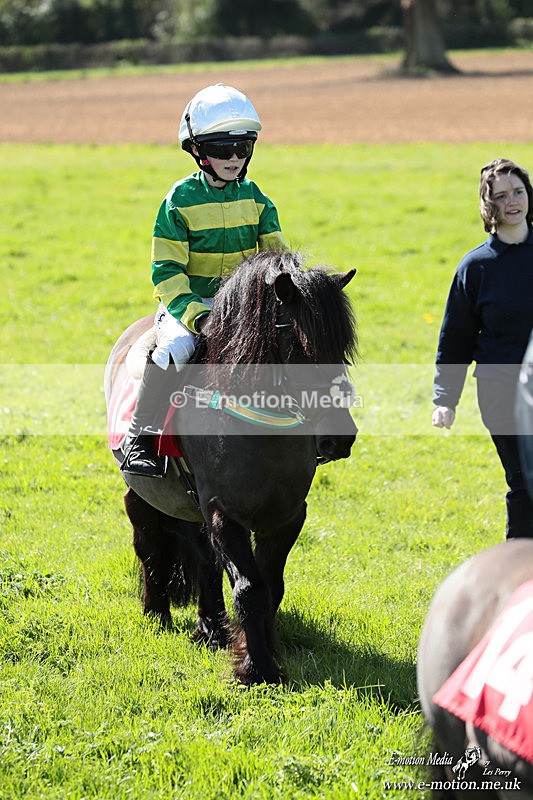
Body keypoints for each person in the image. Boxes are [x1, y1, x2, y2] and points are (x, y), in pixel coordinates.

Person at [121, 83, 286, 478]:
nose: (232, 158)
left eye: (242, 149)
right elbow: (167, 274)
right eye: (220, 149)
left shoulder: (258, 199)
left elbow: (276, 260)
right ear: (197, 150)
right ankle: (139, 439)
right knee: (175, 348)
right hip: (188, 308)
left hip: (245, 309)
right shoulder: (178, 201)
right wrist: (199, 317)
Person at [432, 157, 533, 538]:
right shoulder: (475, 268)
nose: (513, 202)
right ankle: (520, 577)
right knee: (524, 484)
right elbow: (455, 337)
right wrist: (445, 398)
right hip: (502, 390)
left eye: (519, 192)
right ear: (488, 205)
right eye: (502, 195)